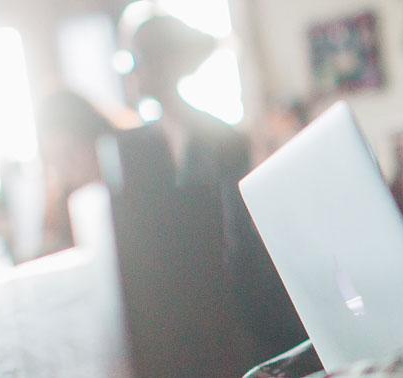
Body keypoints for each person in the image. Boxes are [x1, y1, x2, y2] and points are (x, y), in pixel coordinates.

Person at [123, 15, 307, 359]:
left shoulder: (222, 139)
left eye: (137, 59)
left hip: (231, 301)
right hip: (177, 300)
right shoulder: (138, 148)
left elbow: (237, 242)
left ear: (166, 63)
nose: (130, 72)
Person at [34, 90, 116, 256]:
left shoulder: (131, 191)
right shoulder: (62, 211)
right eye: (55, 161)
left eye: (69, 154)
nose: (66, 170)